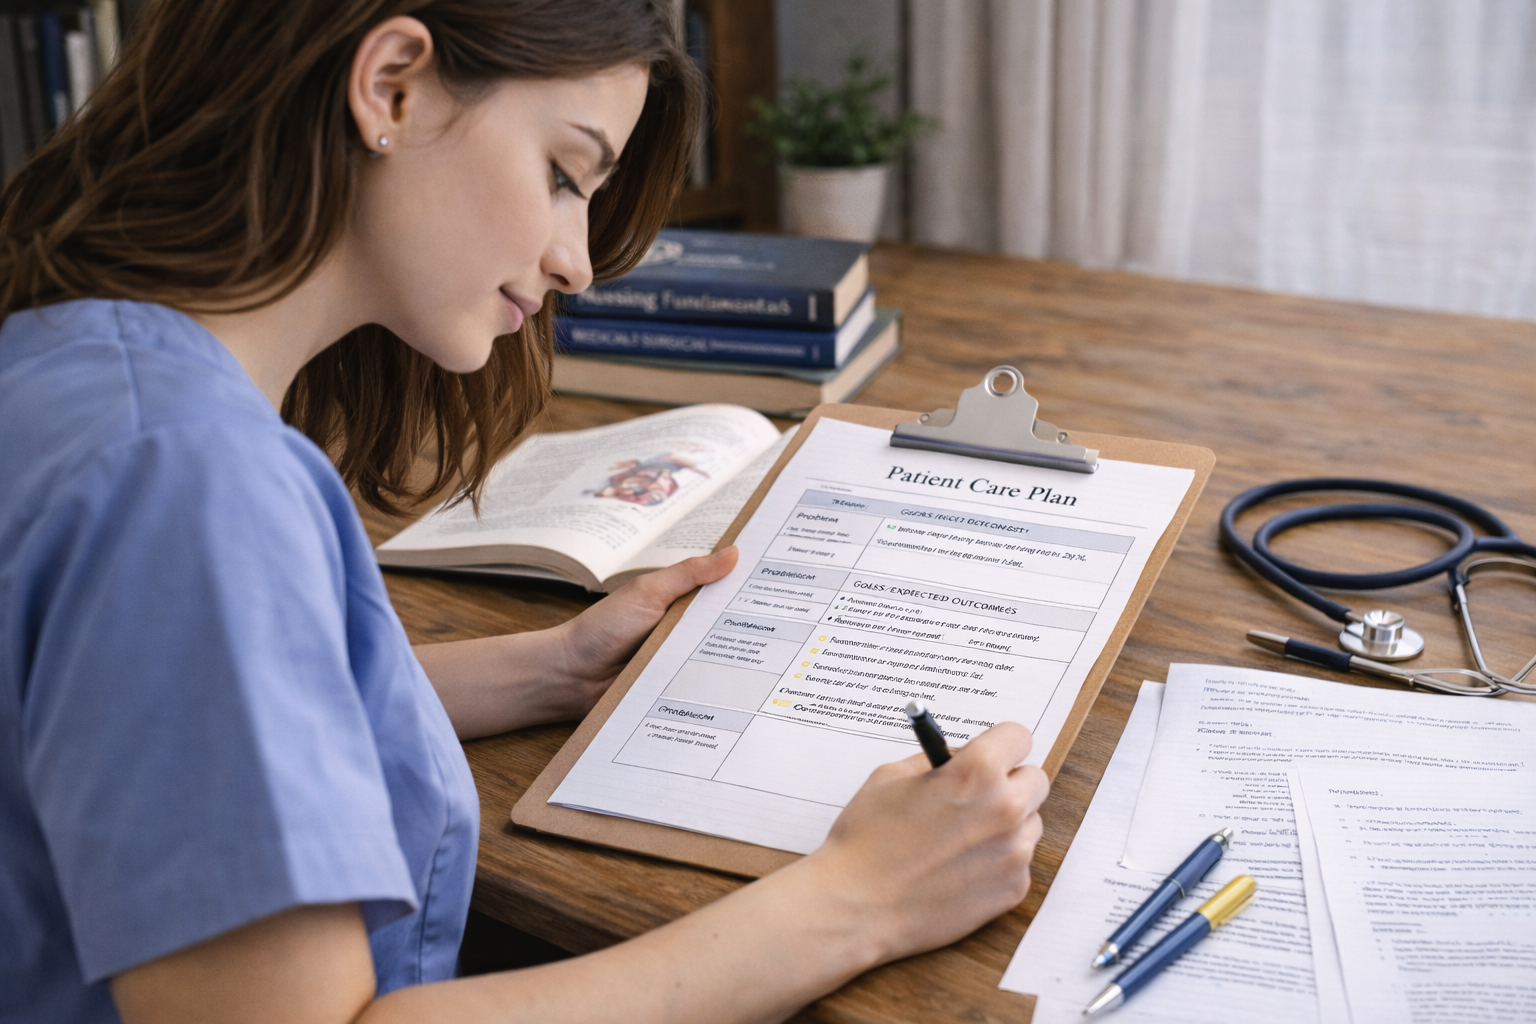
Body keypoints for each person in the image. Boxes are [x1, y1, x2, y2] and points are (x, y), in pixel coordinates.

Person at [0, 1, 1050, 1021]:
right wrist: (858, 902)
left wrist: (552, 667)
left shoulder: (75, 365)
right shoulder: (188, 483)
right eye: (563, 174)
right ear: (391, 87)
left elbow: (183, 718)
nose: (576, 259)